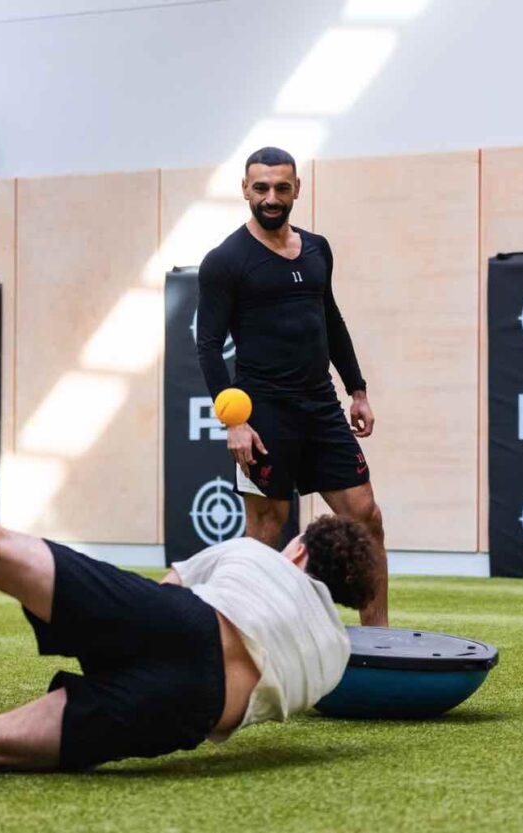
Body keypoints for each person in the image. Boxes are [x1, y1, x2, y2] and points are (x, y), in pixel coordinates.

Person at [0, 377, 376, 789]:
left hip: (179, 620)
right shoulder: (333, 660)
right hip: (195, 705)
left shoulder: (253, 554)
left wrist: (117, 631)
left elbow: (171, 585)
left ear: (299, 550)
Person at [195, 146, 388, 626]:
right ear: (245, 189)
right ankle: (241, 642)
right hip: (264, 414)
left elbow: (331, 320)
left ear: (297, 188)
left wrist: (357, 390)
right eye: (261, 188)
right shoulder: (225, 260)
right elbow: (208, 345)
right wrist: (234, 423)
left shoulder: (318, 248)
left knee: (366, 518)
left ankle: (382, 642)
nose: (271, 197)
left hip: (321, 406)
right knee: (264, 533)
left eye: (282, 187)